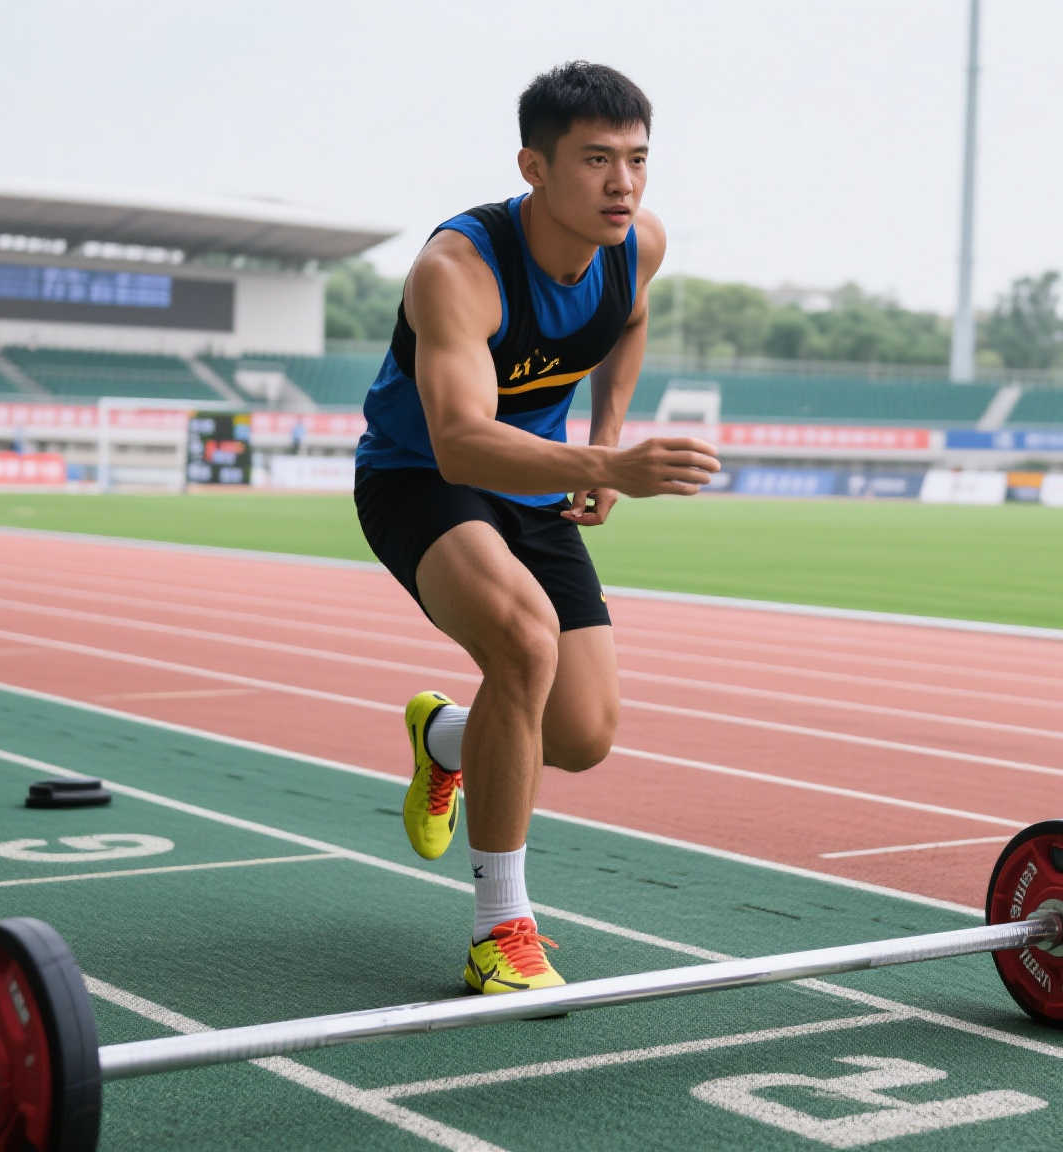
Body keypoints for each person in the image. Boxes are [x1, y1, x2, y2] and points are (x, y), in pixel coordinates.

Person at [355, 61, 717, 993]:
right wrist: (610, 467)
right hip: (421, 478)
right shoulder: (457, 270)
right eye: (596, 160)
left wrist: (602, 433)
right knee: (522, 640)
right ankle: (499, 928)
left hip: (540, 482)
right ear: (534, 167)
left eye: (637, 159)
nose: (623, 183)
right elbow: (464, 444)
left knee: (583, 733)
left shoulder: (639, 245)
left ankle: (444, 741)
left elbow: (626, 322)